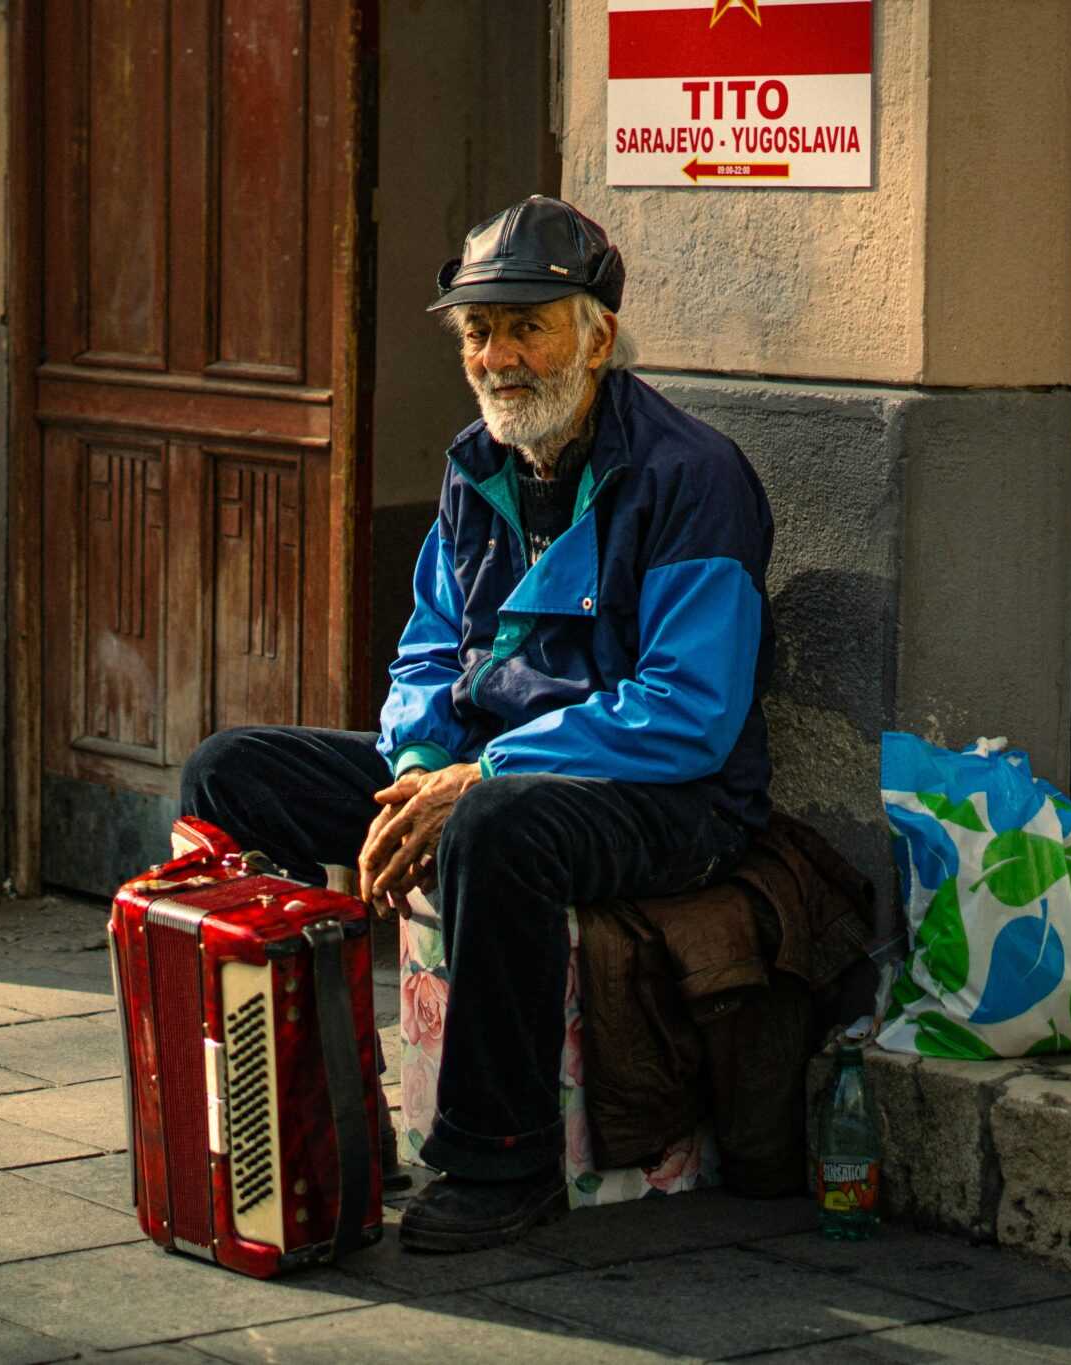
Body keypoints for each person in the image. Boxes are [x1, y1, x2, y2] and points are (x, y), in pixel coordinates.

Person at [181, 195, 775, 1252]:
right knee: (231, 772)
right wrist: (418, 760)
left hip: (665, 796)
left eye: (525, 325)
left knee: (496, 826)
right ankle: (288, 1097)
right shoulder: (477, 465)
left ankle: (497, 1158)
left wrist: (482, 771)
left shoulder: (691, 478)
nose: (498, 356)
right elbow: (426, 646)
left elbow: (688, 710)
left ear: (595, 337)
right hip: (486, 765)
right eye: (476, 331)